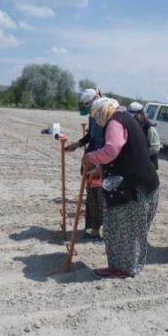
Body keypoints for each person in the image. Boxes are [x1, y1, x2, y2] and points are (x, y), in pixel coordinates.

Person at [82, 98, 160, 278]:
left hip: (133, 189)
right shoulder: (125, 118)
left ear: (103, 111)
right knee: (123, 230)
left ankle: (123, 269)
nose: (97, 120)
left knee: (124, 231)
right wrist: (99, 172)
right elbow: (122, 155)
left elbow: (112, 150)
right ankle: (124, 266)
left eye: (97, 116)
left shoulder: (115, 122)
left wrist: (91, 157)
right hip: (137, 185)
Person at [65, 88, 104, 239]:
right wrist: (77, 144)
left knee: (102, 196)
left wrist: (100, 165)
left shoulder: (106, 114)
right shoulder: (93, 115)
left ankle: (106, 232)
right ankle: (94, 229)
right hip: (91, 160)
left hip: (102, 161)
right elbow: (91, 136)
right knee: (92, 195)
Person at [128, 102, 161, 169]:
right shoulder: (132, 125)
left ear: (140, 114)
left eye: (134, 116)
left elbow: (155, 147)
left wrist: (142, 154)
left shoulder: (149, 128)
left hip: (148, 164)